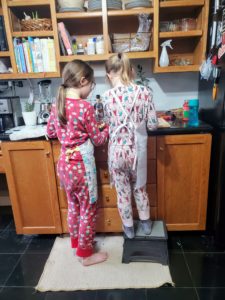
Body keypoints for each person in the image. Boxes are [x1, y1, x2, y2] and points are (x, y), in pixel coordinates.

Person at [47, 60, 109, 266]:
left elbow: (50, 132)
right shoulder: (85, 107)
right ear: (83, 81)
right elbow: (99, 140)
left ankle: (76, 243)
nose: (91, 90)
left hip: (65, 165)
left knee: (73, 206)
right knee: (88, 209)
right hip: (81, 167)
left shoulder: (58, 104)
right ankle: (86, 255)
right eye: (91, 85)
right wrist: (107, 128)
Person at [102, 53, 158, 239]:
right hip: (137, 153)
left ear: (109, 74)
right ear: (131, 71)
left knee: (123, 192)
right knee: (140, 188)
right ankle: (145, 223)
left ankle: (128, 228)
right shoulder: (145, 92)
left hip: (117, 153)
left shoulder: (106, 97)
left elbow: (107, 123)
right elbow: (152, 124)